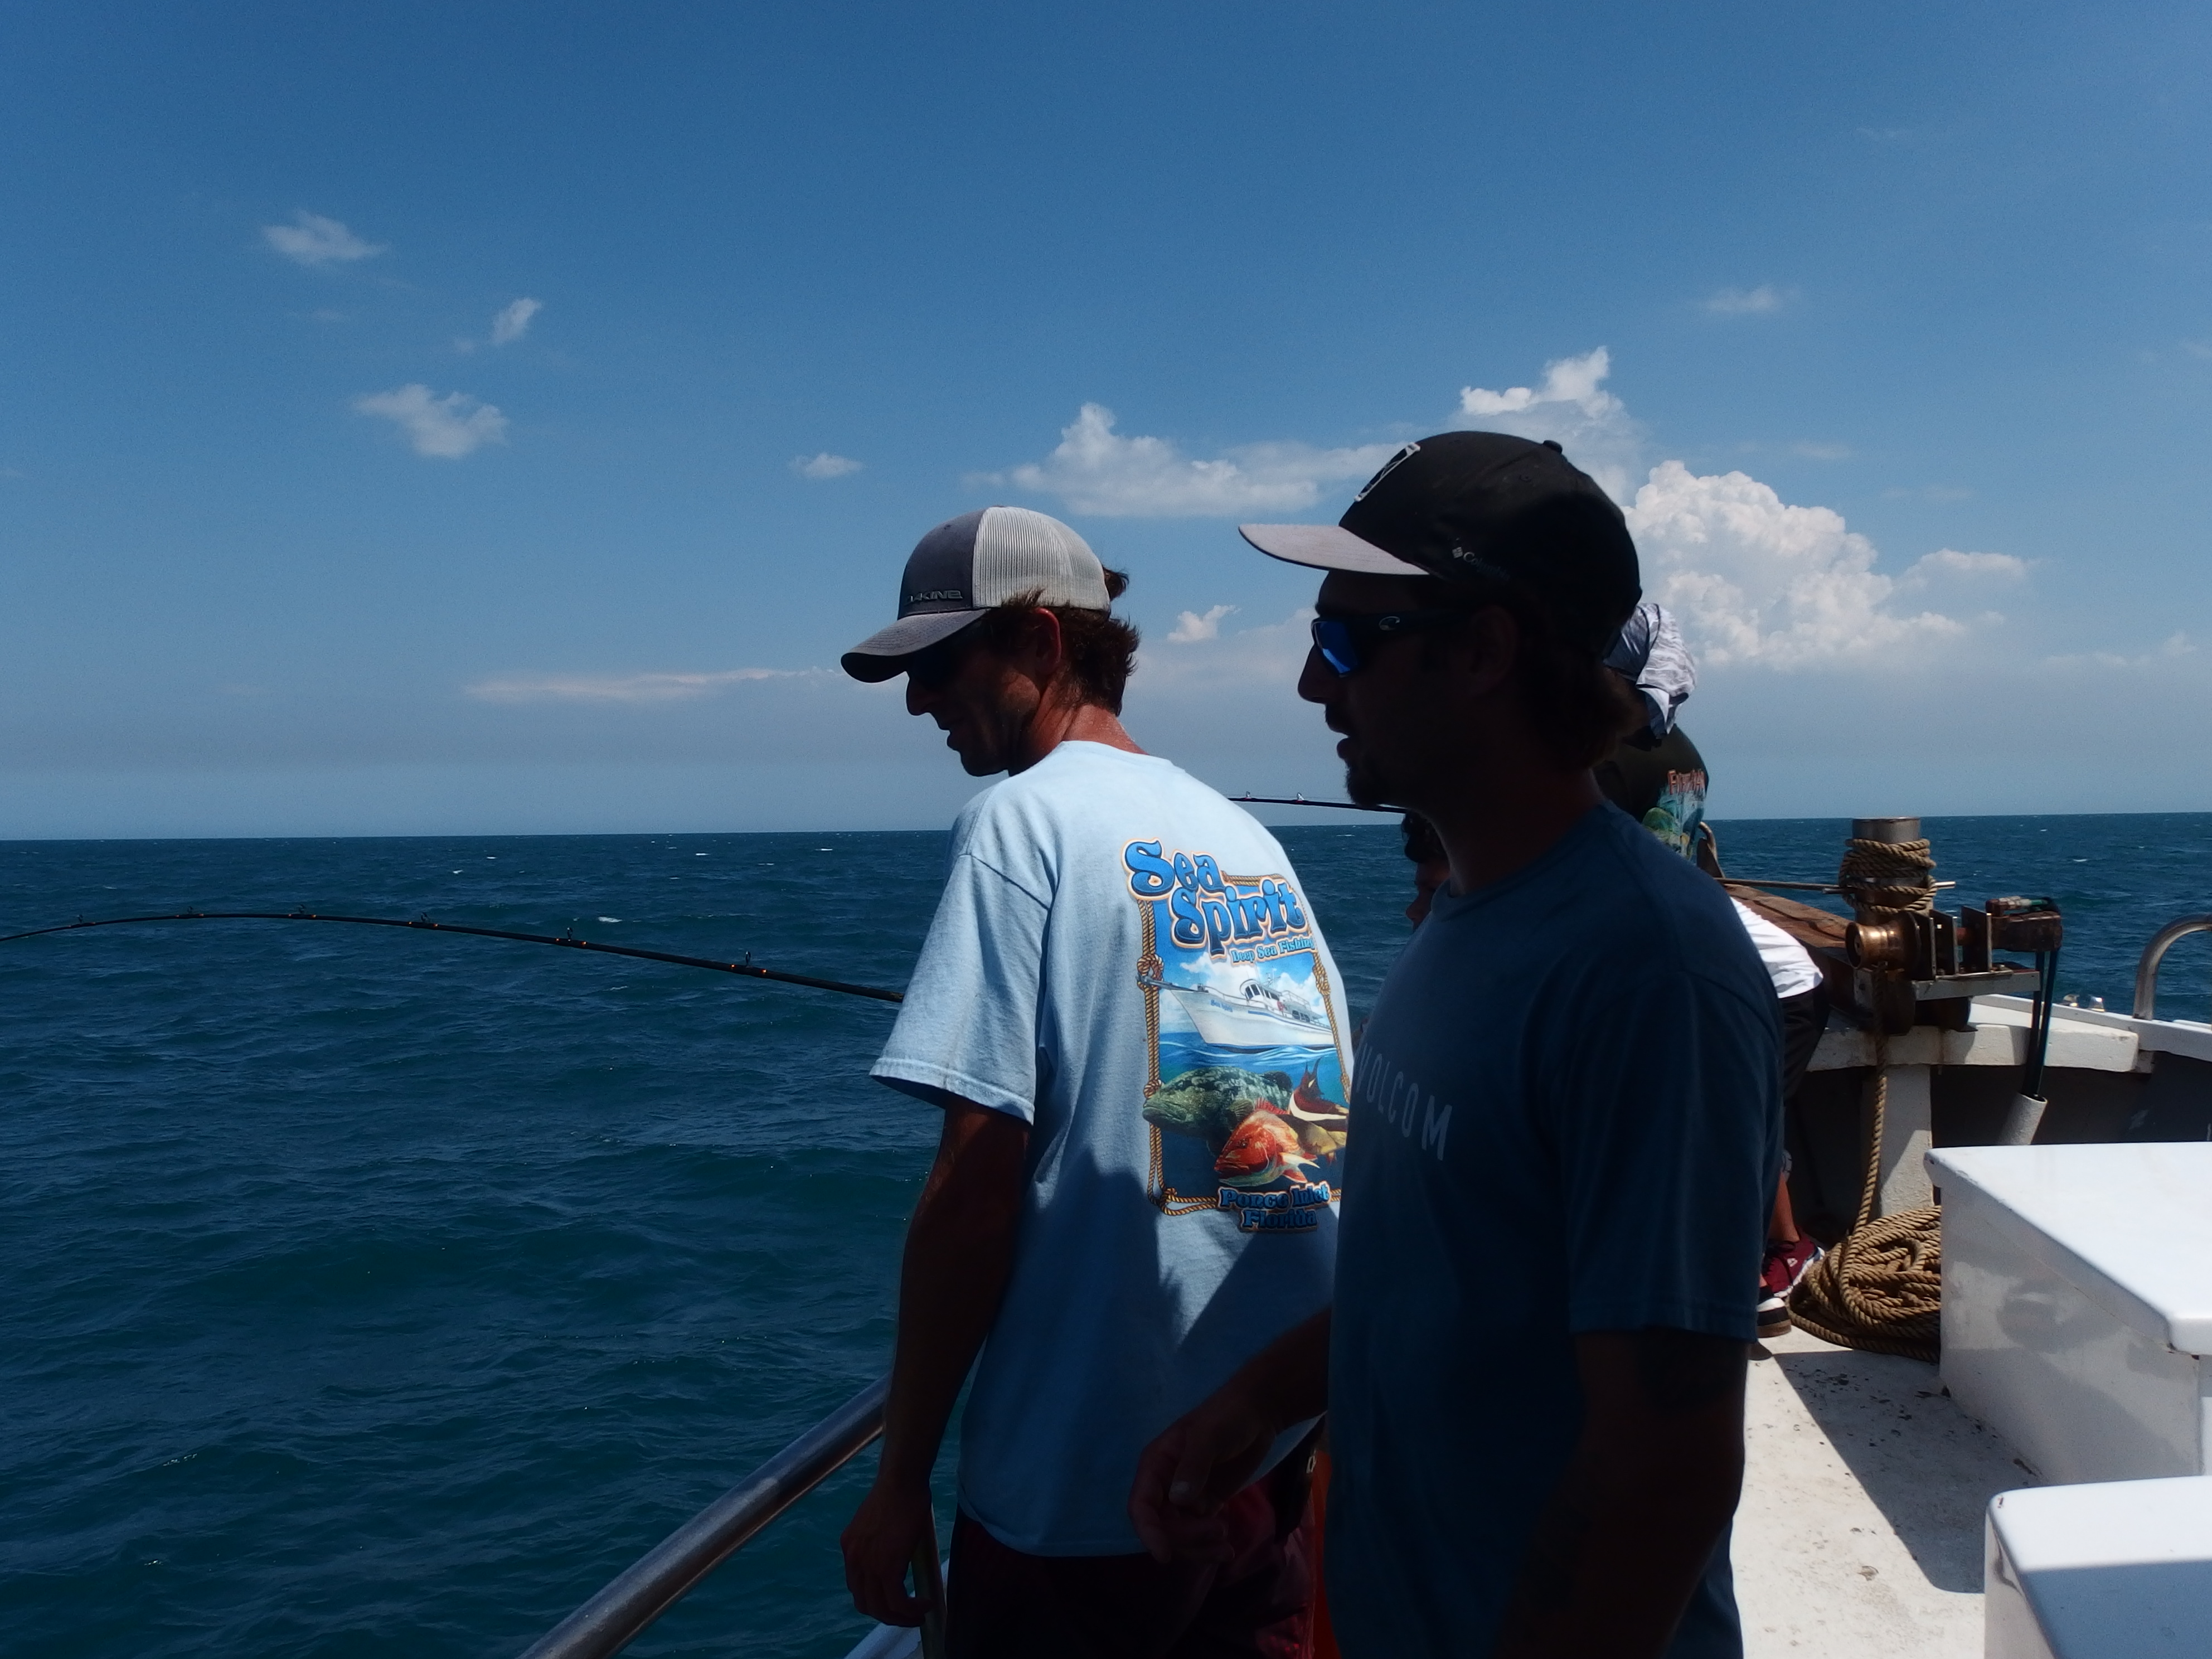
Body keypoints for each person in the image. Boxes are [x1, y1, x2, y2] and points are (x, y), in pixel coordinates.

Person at [1129, 433, 1782, 1658]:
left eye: (1344, 643)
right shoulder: (1464, 917)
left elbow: (1665, 1463)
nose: (1312, 687)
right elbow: (1441, 1277)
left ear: (1482, 651)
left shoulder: (1648, 973)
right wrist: (1253, 1405)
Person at [836, 505, 1353, 1658]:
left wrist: (900, 1475)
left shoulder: (1017, 825)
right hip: (1261, 1450)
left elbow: (978, 1185)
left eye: (938, 663)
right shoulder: (1241, 839)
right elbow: (1304, 1137)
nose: (918, 702)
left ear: (1039, 643)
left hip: (1092, 1474)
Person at [1592, 603, 1827, 1337]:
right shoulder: (1670, 740)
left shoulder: (1607, 753)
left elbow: (1616, 884)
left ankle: (1756, 1275)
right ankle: (1779, 1252)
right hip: (1749, 972)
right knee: (1741, 1124)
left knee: (1722, 1132)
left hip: (1756, 984)